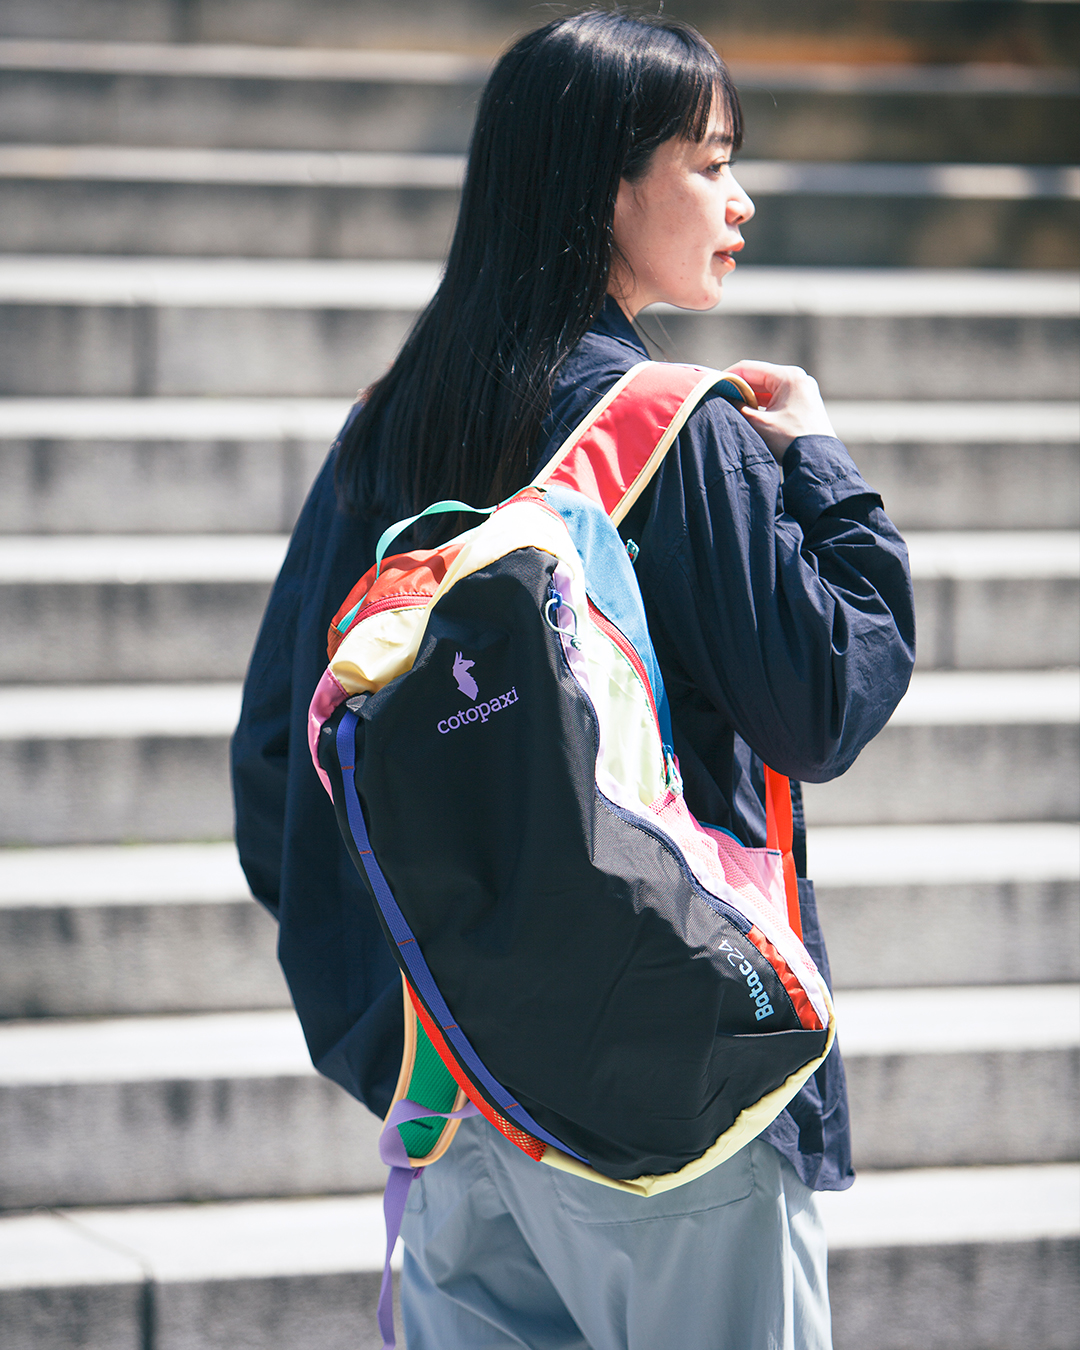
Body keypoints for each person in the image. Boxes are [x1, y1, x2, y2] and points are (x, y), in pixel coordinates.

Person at [232, 11, 915, 1348]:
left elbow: (280, 760)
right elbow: (827, 694)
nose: (741, 198)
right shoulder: (677, 431)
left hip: (458, 1106)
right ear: (608, 185)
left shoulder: (384, 432)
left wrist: (433, 1000)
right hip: (675, 1103)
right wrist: (824, 470)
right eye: (710, 162)